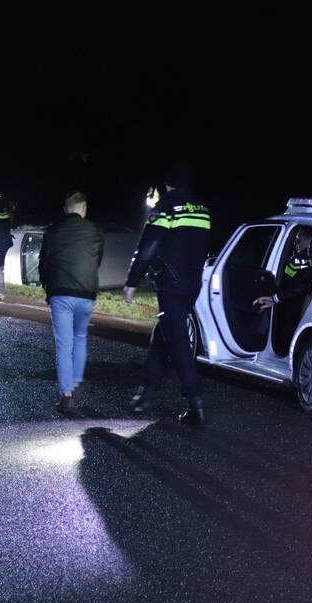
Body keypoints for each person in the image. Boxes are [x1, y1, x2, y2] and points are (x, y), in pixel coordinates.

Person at [124, 162, 211, 426]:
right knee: (164, 332)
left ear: (167, 183)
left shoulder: (165, 208)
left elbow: (150, 245)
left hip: (171, 284)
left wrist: (132, 281)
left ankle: (195, 401)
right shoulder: (203, 209)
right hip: (193, 283)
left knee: (178, 341)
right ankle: (146, 392)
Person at [39, 191, 104, 414]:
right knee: (80, 338)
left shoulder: (52, 231)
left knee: (64, 344)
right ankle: (75, 380)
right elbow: (97, 259)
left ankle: (67, 395)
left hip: (60, 293)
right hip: (86, 293)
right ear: (84, 208)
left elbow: (43, 264)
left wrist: (47, 287)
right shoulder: (95, 230)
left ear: (65, 209)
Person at [253, 228, 312, 354]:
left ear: (310, 242)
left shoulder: (297, 262)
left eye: (298, 239)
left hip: (289, 308)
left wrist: (275, 297)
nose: (295, 243)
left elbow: (285, 283)